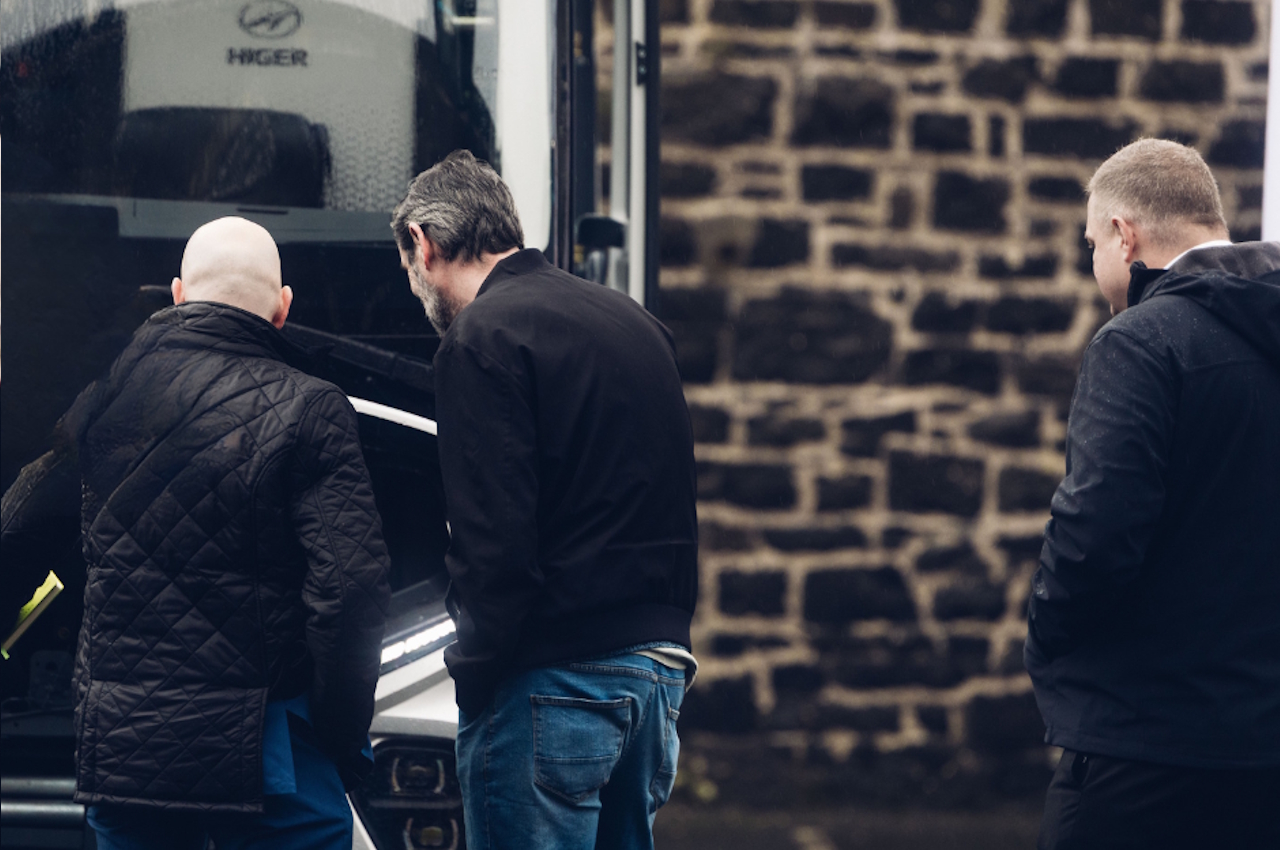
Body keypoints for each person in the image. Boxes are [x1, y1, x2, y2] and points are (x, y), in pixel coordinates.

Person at [0, 217, 391, 849]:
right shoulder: (312, 407)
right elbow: (350, 595)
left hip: (128, 751)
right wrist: (341, 740)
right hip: (272, 756)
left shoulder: (104, 398)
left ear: (179, 294)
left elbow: (14, 537)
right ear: (283, 309)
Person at [391, 150, 699, 850]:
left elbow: (493, 541)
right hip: (658, 673)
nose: (418, 289)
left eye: (412, 272)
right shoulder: (635, 323)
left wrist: (474, 676)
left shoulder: (481, 337)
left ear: (423, 245)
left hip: (552, 682)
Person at [1026, 139, 1280, 849]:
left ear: (1123, 234)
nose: (1095, 268)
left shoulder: (1141, 342)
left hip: (1148, 746)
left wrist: (1046, 632)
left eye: (1091, 244)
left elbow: (1097, 534)